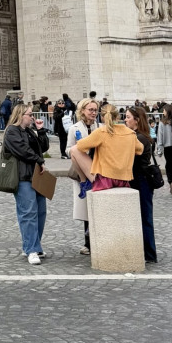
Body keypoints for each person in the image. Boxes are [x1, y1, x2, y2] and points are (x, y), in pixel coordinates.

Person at [3, 103, 50, 265]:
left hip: (36, 176)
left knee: (41, 211)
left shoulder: (29, 131)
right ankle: (31, 249)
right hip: (23, 177)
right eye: (30, 114)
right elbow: (22, 150)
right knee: (28, 213)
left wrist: (41, 130)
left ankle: (33, 245)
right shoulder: (11, 131)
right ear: (21, 115)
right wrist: (39, 160)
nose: (32, 117)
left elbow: (42, 148)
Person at [66, 98, 99, 254]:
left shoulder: (101, 127)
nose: (93, 112)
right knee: (86, 207)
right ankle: (88, 243)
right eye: (90, 109)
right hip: (82, 172)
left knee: (98, 205)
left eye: (95, 110)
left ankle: (99, 239)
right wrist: (79, 149)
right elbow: (68, 150)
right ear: (82, 110)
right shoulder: (74, 128)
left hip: (98, 169)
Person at [125, 105, 158, 263]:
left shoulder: (139, 138)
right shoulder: (139, 135)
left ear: (136, 120)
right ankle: (146, 252)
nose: (125, 120)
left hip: (141, 179)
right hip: (139, 178)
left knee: (145, 216)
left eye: (128, 117)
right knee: (142, 216)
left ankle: (149, 254)